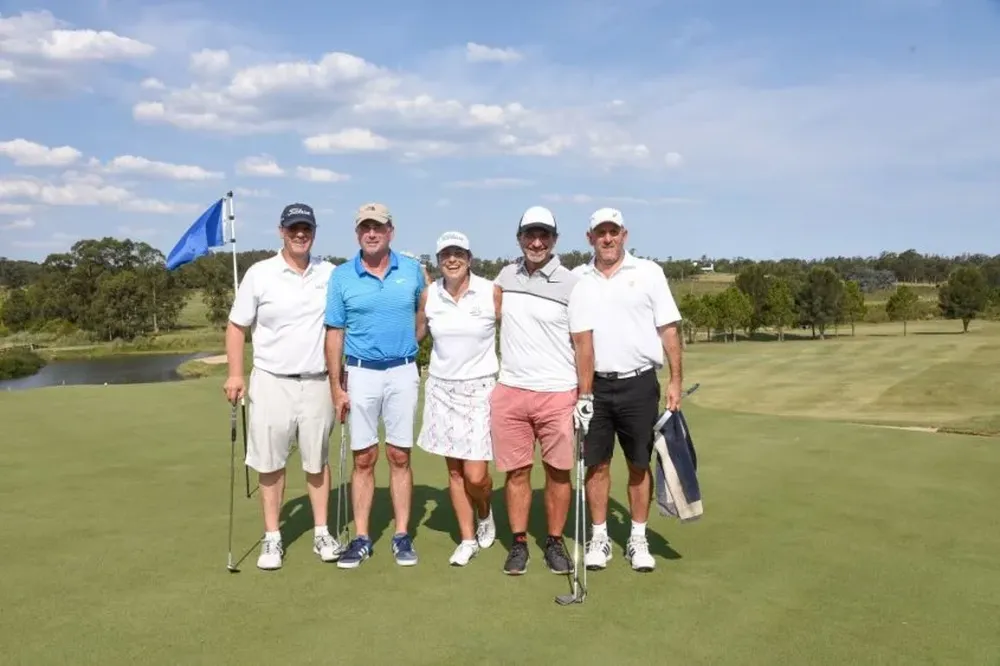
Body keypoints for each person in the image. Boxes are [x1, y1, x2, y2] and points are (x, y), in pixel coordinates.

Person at [223, 203, 340, 571]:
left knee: (317, 460)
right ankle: (272, 536)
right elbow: (236, 327)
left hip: (318, 381)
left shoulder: (330, 274)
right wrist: (236, 374)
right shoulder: (260, 273)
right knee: (270, 463)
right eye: (293, 229)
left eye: (306, 228)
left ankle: (322, 531)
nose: (300, 234)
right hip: (272, 381)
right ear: (281, 232)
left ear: (314, 232)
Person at [570, 207, 684, 573]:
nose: (607, 238)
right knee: (597, 465)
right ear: (590, 238)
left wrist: (676, 380)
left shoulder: (649, 272)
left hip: (639, 383)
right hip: (594, 387)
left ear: (624, 235)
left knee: (638, 463)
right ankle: (599, 537)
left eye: (613, 232)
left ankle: (637, 537)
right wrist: (581, 392)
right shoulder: (578, 279)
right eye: (600, 232)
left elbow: (668, 329)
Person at [490, 205, 595, 576]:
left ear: (555, 239)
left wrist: (586, 395)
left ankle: (554, 541)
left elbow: (583, 344)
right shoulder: (505, 276)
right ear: (519, 238)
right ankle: (518, 542)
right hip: (511, 390)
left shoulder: (571, 284)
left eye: (544, 236)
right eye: (530, 235)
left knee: (558, 473)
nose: (537, 242)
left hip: (557, 393)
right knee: (517, 472)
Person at [324, 202, 427, 569]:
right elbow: (335, 334)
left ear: (390, 232)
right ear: (357, 233)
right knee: (363, 457)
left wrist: (407, 346)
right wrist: (336, 387)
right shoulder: (341, 276)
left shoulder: (412, 271)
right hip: (361, 373)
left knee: (400, 455)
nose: (372, 233)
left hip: (402, 371)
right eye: (365, 227)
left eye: (378, 227)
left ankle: (401, 535)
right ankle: (362, 537)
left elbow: (422, 315)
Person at [414, 231, 499, 566]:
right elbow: (416, 334)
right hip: (442, 390)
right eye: (446, 254)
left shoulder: (490, 291)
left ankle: (484, 510)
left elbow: (517, 330)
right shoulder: (430, 295)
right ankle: (467, 539)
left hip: (480, 390)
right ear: (438, 260)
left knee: (476, 475)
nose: (452, 259)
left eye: (458, 253)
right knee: (454, 472)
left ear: (469, 258)